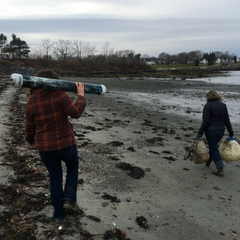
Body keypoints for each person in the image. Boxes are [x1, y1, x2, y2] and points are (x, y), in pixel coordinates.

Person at [25, 69, 86, 222]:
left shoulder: (31, 100)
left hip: (45, 148)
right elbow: (76, 112)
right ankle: (69, 199)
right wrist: (81, 96)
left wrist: (30, 140)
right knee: (72, 168)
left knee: (55, 177)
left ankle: (58, 214)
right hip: (66, 145)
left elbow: (29, 126)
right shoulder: (59, 94)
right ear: (56, 81)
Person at [198, 89, 234, 177]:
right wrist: (231, 132)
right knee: (213, 146)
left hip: (210, 131)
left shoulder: (207, 106)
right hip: (221, 131)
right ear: (217, 96)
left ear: (208, 97)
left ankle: (220, 169)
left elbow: (205, 121)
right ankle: (209, 160)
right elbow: (227, 120)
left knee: (213, 148)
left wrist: (200, 132)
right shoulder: (223, 105)